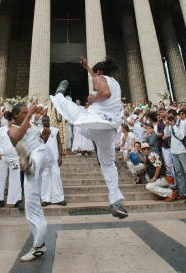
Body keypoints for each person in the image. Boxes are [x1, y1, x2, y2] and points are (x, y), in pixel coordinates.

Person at [50, 56, 128, 219]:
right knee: (108, 164)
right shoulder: (115, 83)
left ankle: (59, 97)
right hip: (109, 128)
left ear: (99, 72)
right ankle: (116, 202)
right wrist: (87, 68)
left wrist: (92, 98)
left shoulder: (100, 80)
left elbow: (104, 92)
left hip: (93, 124)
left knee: (75, 113)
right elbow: (101, 82)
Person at [8, 102, 54, 262]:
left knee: (32, 204)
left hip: (40, 153)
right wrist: (30, 115)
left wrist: (45, 135)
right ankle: (39, 243)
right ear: (15, 115)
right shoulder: (12, 129)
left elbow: (39, 140)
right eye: (23, 112)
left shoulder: (31, 124)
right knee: (31, 204)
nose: (28, 113)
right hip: (31, 158)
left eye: (28, 111)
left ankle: (37, 245)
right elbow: (17, 140)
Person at [164, 109, 186, 203]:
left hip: (182, 150)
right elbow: (166, 134)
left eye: (171, 116)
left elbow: (181, 136)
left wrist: (174, 125)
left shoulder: (182, 123)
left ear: (175, 116)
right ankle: (182, 192)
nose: (170, 118)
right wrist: (167, 125)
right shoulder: (171, 124)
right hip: (173, 150)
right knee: (178, 173)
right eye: (169, 116)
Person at [0, 112, 22, 211]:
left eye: (11, 119)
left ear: (14, 119)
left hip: (15, 158)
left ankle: (16, 200)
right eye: (7, 119)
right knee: (0, 178)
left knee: (15, 178)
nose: (9, 121)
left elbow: (22, 144)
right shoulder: (0, 130)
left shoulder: (18, 129)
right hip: (2, 158)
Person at [40, 115, 66, 206]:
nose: (46, 122)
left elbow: (59, 143)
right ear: (42, 122)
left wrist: (60, 156)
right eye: (44, 120)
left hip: (55, 158)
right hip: (44, 159)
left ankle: (59, 198)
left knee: (56, 176)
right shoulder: (39, 131)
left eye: (47, 120)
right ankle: (45, 199)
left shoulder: (55, 130)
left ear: (49, 120)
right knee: (45, 177)